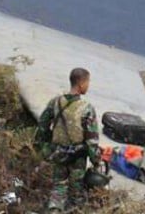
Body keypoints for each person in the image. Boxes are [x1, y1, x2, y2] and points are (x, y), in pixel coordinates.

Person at [35, 68, 103, 211]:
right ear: (81, 84)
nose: (88, 86)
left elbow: (42, 125)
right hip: (77, 158)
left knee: (58, 187)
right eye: (88, 82)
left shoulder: (55, 102)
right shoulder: (87, 108)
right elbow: (92, 140)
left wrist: (44, 146)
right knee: (76, 192)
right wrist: (96, 161)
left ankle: (54, 210)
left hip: (58, 154)